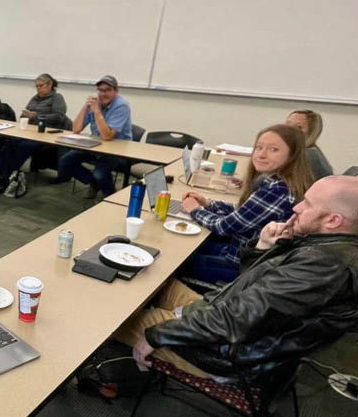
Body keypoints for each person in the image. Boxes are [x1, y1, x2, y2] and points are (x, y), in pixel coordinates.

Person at [115, 175, 358, 382]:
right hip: (219, 317)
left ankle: (110, 364)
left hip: (219, 351)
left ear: (333, 220)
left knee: (109, 321)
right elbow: (252, 294)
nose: (296, 208)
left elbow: (236, 321)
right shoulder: (326, 247)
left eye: (308, 204)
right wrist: (262, 248)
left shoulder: (325, 267)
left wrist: (155, 335)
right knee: (155, 278)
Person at [180, 124, 313, 283]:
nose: (261, 155)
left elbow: (224, 227)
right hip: (241, 253)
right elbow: (243, 214)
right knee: (186, 247)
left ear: (292, 156)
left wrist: (195, 210)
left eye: (274, 150)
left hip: (242, 268)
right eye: (258, 147)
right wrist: (209, 203)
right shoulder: (278, 182)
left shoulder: (277, 191)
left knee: (177, 260)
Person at [0, 74, 70, 197]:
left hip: (47, 134)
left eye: (41, 86)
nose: (38, 89)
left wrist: (36, 116)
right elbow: (26, 112)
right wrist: (25, 116)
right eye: (36, 86)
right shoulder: (35, 98)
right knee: (10, 141)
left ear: (50, 85)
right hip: (31, 131)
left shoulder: (57, 98)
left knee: (24, 146)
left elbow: (59, 117)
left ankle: (6, 176)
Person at [55, 75, 132, 199]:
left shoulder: (121, 106)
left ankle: (110, 196)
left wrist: (97, 111)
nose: (103, 94)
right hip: (96, 147)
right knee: (65, 161)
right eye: (100, 90)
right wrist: (85, 107)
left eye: (107, 90)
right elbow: (76, 129)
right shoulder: (96, 103)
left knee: (100, 173)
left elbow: (107, 136)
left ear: (116, 91)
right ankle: (94, 183)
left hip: (118, 151)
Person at [286, 109, 333, 180]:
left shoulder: (308, 155)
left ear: (311, 133)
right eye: (287, 124)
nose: (289, 130)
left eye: (299, 127)